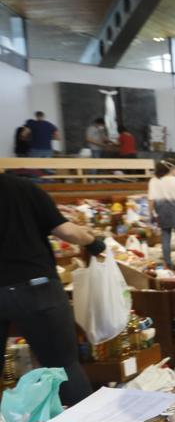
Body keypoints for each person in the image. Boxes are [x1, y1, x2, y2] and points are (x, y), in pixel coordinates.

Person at [0, 174, 105, 407]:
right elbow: (66, 232)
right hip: (34, 286)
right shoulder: (20, 187)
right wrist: (91, 241)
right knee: (63, 365)